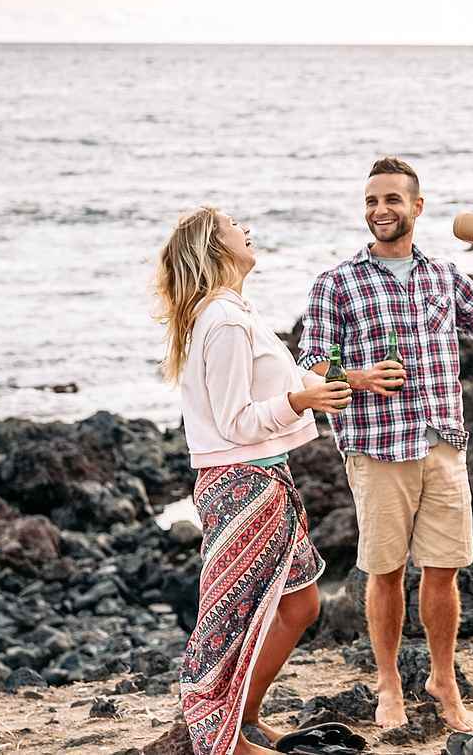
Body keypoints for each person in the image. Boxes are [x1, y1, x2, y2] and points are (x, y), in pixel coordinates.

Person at [297, 157, 473, 730]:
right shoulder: (336, 283)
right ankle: (389, 683)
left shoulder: (442, 275)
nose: (380, 211)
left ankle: (443, 681)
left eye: (392, 200)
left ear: (416, 208)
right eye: (372, 201)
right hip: (376, 449)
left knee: (444, 569)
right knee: (385, 571)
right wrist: (362, 377)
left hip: (442, 442)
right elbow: (314, 367)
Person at [156, 206, 353, 755]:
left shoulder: (234, 312)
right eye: (232, 225)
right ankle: (225, 739)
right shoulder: (221, 321)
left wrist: (344, 381)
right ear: (216, 248)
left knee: (299, 605)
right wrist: (300, 401)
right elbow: (236, 421)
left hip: (267, 477)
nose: (245, 228)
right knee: (234, 617)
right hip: (242, 485)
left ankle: (241, 716)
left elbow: (288, 383)